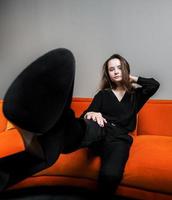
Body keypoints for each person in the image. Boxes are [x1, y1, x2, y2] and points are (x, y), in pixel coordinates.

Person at [1, 49, 160, 198]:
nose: (116, 71)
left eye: (120, 68)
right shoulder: (103, 95)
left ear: (126, 69)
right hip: (99, 128)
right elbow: (86, 115)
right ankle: (60, 125)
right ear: (107, 74)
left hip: (119, 138)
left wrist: (130, 77)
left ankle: (48, 136)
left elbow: (154, 85)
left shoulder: (135, 96)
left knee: (110, 175)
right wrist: (92, 113)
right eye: (112, 69)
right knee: (84, 128)